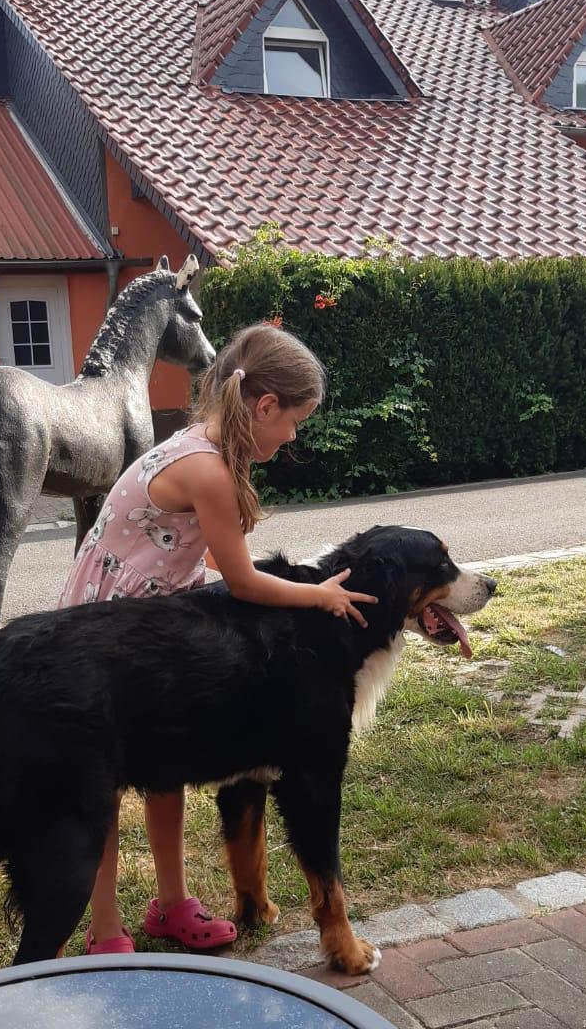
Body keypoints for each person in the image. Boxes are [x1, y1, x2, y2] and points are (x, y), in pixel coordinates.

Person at [57, 322, 376, 955]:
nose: (293, 437)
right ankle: (105, 929)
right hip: (113, 642)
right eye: (294, 422)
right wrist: (320, 594)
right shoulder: (209, 472)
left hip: (153, 633)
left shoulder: (202, 444)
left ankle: (171, 905)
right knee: (106, 783)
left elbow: (182, 559)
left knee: (166, 772)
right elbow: (245, 582)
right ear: (264, 406)